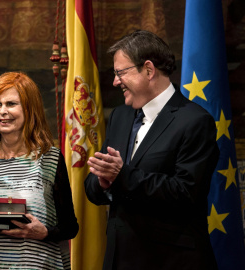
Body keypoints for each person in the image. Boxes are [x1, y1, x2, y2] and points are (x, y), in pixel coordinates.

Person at [84, 30, 219, 270]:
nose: (115, 81)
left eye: (120, 72)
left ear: (148, 69)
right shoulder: (120, 116)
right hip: (119, 258)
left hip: (169, 260)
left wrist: (121, 176)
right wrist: (103, 183)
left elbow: (186, 193)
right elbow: (95, 185)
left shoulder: (195, 121)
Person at [0, 72, 79, 269]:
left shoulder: (50, 159)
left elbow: (70, 227)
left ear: (29, 109)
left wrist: (44, 232)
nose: (2, 111)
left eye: (11, 104)